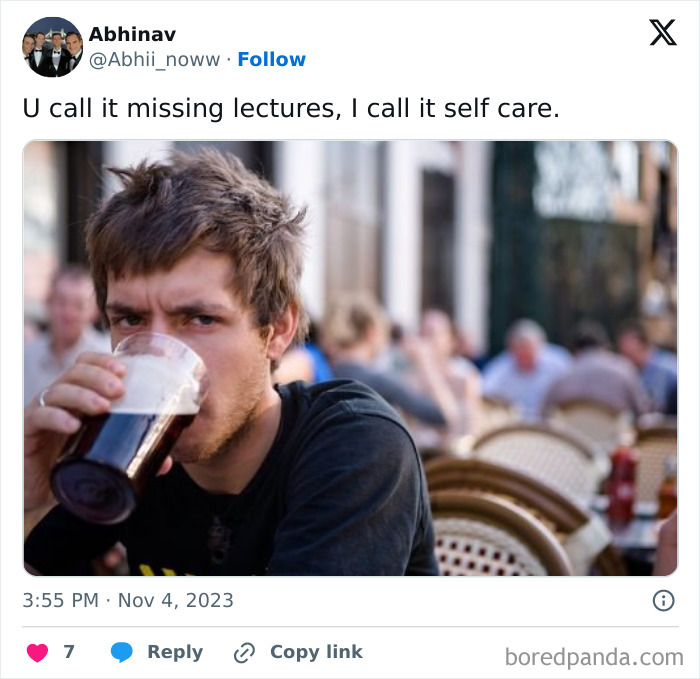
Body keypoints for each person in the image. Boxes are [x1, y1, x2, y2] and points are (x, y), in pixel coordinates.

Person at [24, 149, 437, 576]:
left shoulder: (357, 445)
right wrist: (26, 501)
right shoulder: (126, 454)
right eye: (131, 319)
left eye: (201, 319)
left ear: (277, 329)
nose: (157, 357)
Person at [322, 293, 459, 431]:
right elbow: (445, 416)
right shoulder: (381, 381)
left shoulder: (321, 372)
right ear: (371, 332)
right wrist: (425, 362)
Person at [24, 266, 109, 406]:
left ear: (94, 312)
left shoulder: (106, 357)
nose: (68, 313)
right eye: (61, 302)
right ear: (47, 302)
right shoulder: (26, 355)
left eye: (79, 305)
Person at [542, 320, 649, 417]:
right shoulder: (624, 369)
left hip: (570, 437)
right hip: (614, 436)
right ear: (605, 347)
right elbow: (642, 412)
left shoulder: (562, 377)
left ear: (575, 351)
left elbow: (545, 416)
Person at [482, 319, 571, 420]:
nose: (524, 357)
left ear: (540, 346)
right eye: (519, 352)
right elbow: (485, 391)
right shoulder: (501, 366)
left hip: (552, 423)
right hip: (514, 425)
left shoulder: (558, 362)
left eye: (528, 351)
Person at [419, 308, 481, 437]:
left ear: (450, 341)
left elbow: (467, 427)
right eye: (422, 333)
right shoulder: (411, 376)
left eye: (432, 333)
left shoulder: (464, 375)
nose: (425, 340)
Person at [616, 320, 677, 415]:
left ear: (646, 347)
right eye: (623, 354)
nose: (626, 360)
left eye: (631, 353)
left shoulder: (669, 369)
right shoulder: (630, 372)